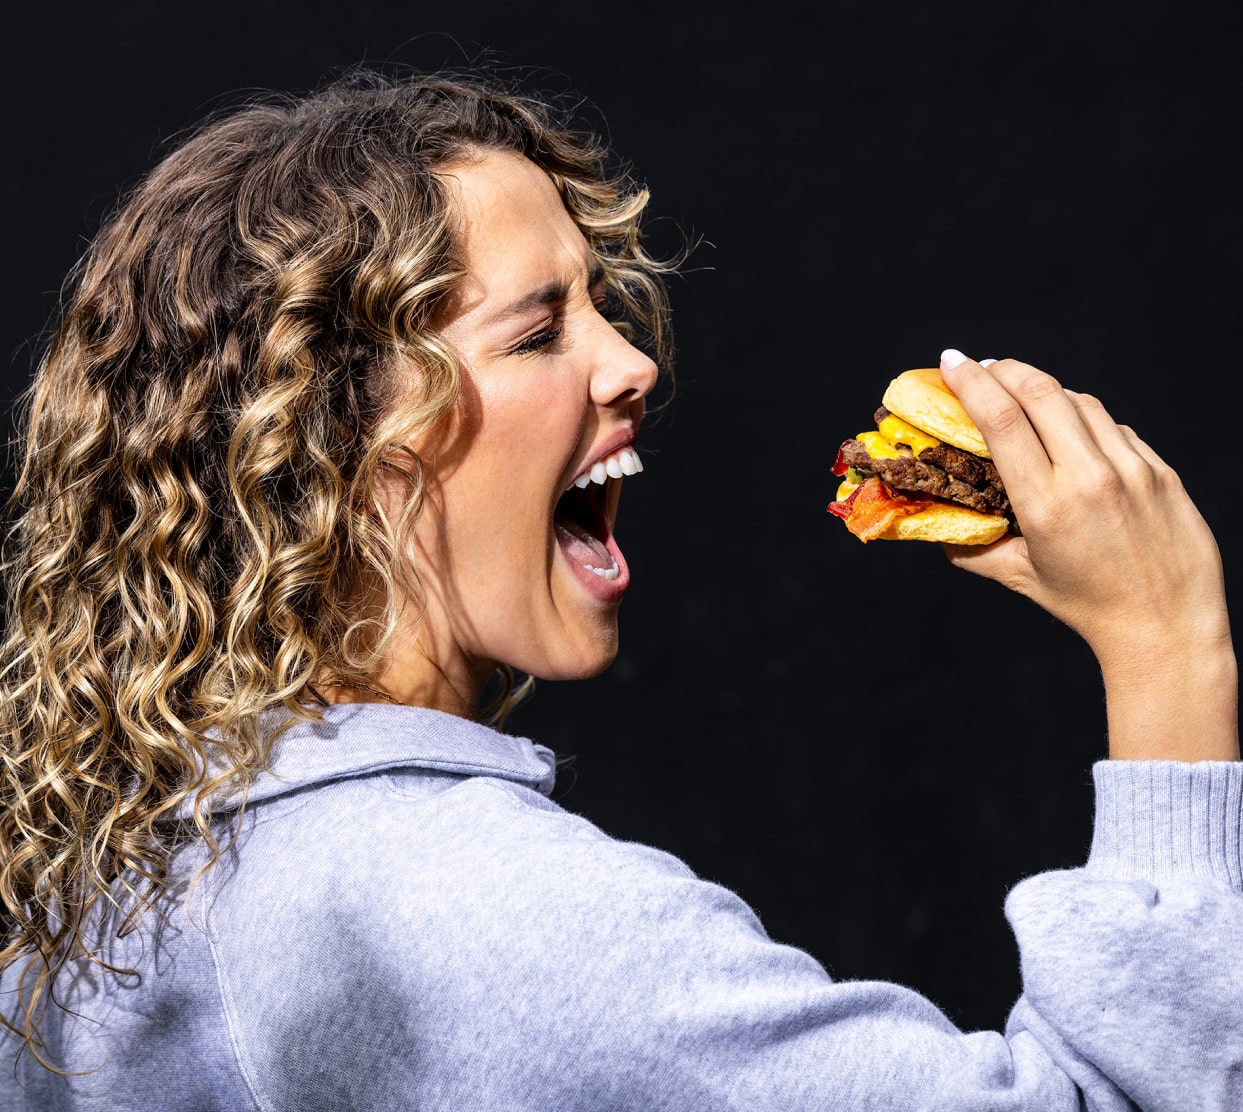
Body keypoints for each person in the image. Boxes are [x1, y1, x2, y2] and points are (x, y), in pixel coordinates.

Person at [0, 69, 1239, 1111]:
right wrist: (1168, 645)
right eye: (538, 333)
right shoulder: (482, 910)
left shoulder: (105, 891)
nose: (634, 362)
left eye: (601, 305)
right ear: (322, 452)